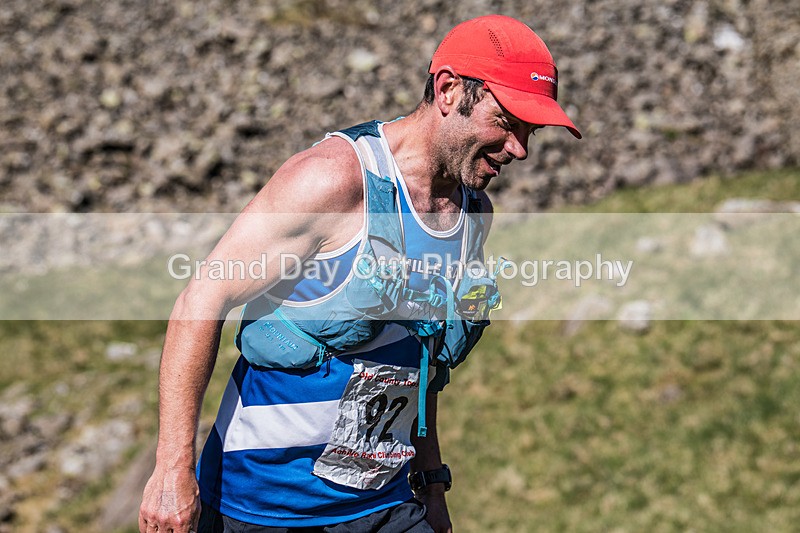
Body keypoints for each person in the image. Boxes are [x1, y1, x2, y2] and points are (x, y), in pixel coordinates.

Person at [139, 14, 580, 533]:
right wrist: (172, 467)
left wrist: (432, 485)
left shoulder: (471, 215)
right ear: (448, 90)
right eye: (507, 122)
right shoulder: (332, 181)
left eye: (530, 131)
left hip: (386, 508)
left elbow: (422, 365)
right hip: (262, 510)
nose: (520, 149)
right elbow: (201, 300)